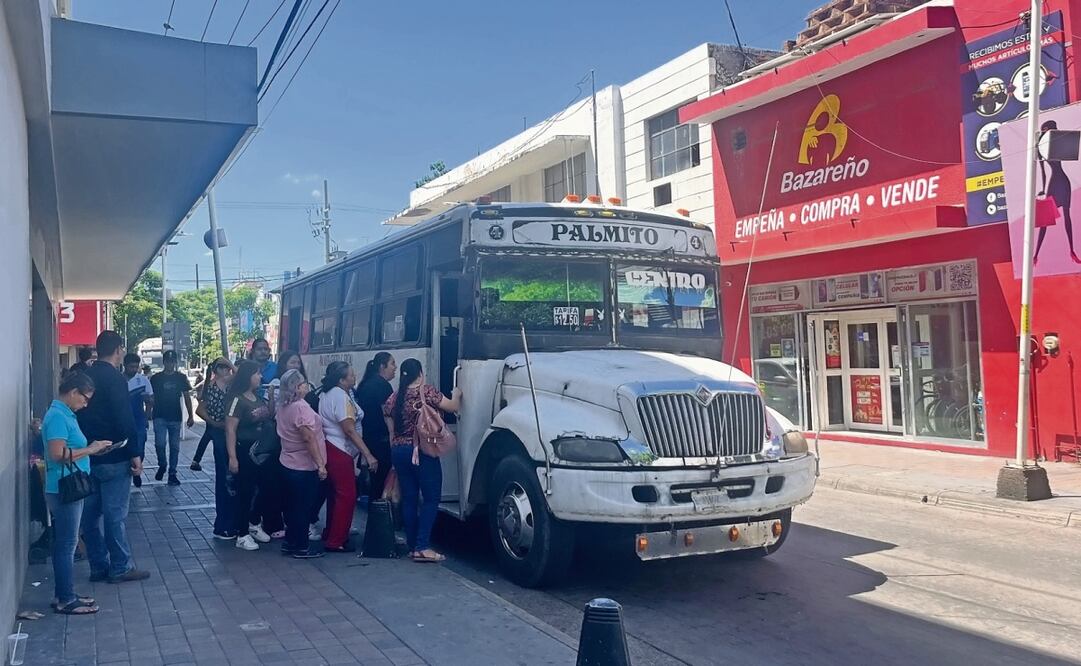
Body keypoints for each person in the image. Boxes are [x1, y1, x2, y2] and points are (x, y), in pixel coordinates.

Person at [77, 330, 150, 584]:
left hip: (87, 456)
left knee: (89, 516)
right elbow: (125, 419)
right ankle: (120, 566)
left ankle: (98, 566)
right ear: (118, 350)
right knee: (114, 515)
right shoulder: (115, 379)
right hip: (114, 455)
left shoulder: (83, 376)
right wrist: (135, 454)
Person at [42, 373, 112, 615]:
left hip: (70, 483)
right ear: (72, 392)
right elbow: (57, 453)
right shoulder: (58, 416)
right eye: (84, 398)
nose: (86, 403)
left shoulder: (64, 414)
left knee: (67, 542)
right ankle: (65, 598)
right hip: (65, 486)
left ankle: (66, 592)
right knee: (67, 543)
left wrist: (93, 450)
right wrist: (90, 449)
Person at [384, 359, 461, 563]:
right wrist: (457, 393)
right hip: (421, 451)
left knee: (409, 498)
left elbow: (389, 423)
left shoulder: (394, 397)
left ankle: (413, 546)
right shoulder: (426, 392)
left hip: (399, 451)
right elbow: (452, 406)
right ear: (420, 373)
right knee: (431, 498)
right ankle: (423, 546)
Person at [317, 361, 378, 552]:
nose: (355, 377)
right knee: (347, 496)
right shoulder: (340, 397)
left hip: (333, 447)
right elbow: (349, 430)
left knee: (336, 495)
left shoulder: (328, 394)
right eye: (351, 375)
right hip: (340, 449)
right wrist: (368, 454)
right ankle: (336, 540)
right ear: (342, 380)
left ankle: (332, 532)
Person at [276, 369, 328, 558]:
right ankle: (301, 546)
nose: (307, 386)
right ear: (297, 387)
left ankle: (290, 543)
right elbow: (308, 437)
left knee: (291, 507)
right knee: (302, 508)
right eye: (304, 383)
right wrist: (320, 464)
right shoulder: (301, 407)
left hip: (287, 462)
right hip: (303, 465)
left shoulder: (283, 405)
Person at [224, 361, 274, 551]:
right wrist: (232, 457)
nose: (260, 377)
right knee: (245, 492)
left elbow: (268, 415)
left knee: (265, 488)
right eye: (257, 374)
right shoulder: (237, 400)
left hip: (261, 451)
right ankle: (241, 533)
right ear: (248, 376)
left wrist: (270, 399)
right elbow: (230, 430)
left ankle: (254, 523)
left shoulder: (257, 396)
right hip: (245, 451)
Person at [196, 358, 235, 539]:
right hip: (221, 433)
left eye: (228, 367)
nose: (228, 370)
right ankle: (223, 523)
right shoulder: (211, 387)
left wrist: (229, 362)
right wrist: (215, 424)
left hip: (229, 431)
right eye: (223, 367)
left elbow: (240, 375)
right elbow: (200, 410)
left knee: (230, 478)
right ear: (216, 370)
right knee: (224, 477)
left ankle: (229, 521)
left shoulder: (229, 385)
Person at [1036, 119, 1081, 265]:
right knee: (1045, 220)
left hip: (1063, 181)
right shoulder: (1039, 147)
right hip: (1053, 183)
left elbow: (1070, 151)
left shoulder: (1057, 142)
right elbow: (1042, 171)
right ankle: (1035, 254)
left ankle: (1072, 251)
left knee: (1067, 217)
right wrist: (1043, 189)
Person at [355, 352, 396, 504]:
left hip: (368, 438)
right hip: (382, 441)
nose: (395, 367)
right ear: (382, 366)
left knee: (375, 482)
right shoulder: (383, 386)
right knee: (381, 483)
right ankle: (379, 521)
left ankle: (373, 522)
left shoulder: (365, 384)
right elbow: (388, 414)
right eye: (392, 364)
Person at [150, 350, 194, 485]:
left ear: (175, 363)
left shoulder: (181, 378)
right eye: (168, 361)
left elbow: (187, 397)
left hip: (175, 416)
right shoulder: (156, 378)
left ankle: (172, 473)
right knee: (160, 444)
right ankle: (162, 464)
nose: (171, 364)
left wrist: (190, 415)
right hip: (159, 415)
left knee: (175, 447)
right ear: (164, 362)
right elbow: (150, 396)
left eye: (173, 361)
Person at [123, 353, 154, 489]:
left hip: (139, 420)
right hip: (123, 420)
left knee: (140, 447)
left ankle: (137, 471)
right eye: (131, 367)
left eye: (136, 367)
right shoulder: (119, 380)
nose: (134, 369)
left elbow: (151, 400)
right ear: (125, 366)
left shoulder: (143, 381)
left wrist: (147, 415)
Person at [189, 364, 216, 472]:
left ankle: (196, 460)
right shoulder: (214, 382)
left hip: (209, 414)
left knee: (207, 436)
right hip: (215, 416)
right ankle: (196, 460)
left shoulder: (208, 381)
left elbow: (201, 396)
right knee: (212, 437)